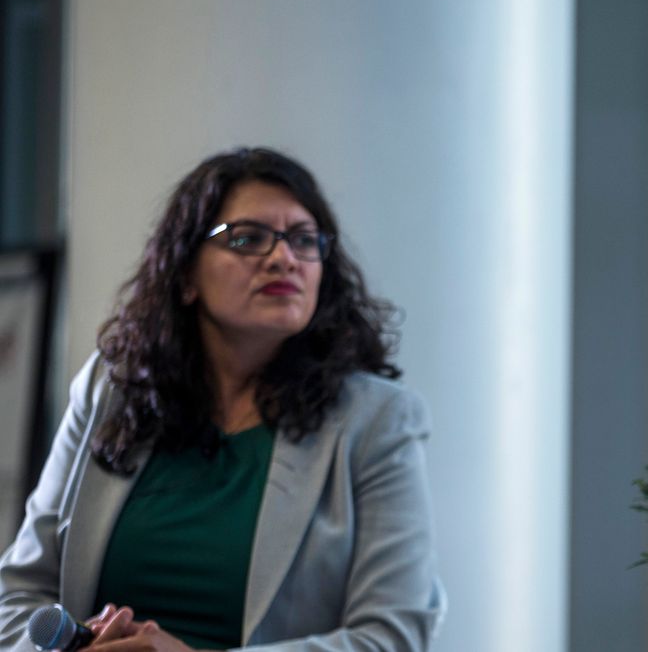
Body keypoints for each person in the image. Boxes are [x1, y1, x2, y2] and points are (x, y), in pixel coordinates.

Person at [0, 148, 445, 650]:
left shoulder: (377, 420)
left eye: (304, 240)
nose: (284, 258)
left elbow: (394, 635)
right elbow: (16, 598)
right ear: (185, 274)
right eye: (249, 238)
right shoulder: (111, 389)